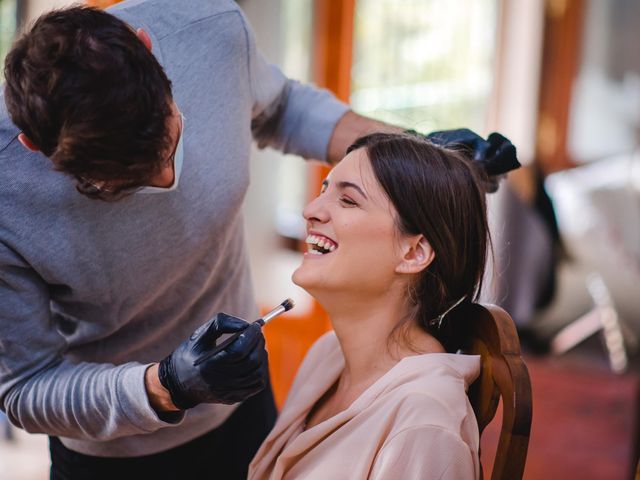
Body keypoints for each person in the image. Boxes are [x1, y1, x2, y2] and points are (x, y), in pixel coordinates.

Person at [0, 1, 516, 479]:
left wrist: (419, 154)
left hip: (242, 405)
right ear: (34, 146)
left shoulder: (209, 30)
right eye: (123, 184)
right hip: (112, 455)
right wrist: (166, 386)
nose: (167, 182)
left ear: (150, 46)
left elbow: (283, 106)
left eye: (171, 142)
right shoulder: (323, 362)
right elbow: (26, 386)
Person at [249, 132, 519, 479]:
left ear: (413, 252)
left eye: (347, 200)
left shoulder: (425, 423)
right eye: (323, 191)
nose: (311, 211)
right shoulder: (326, 354)